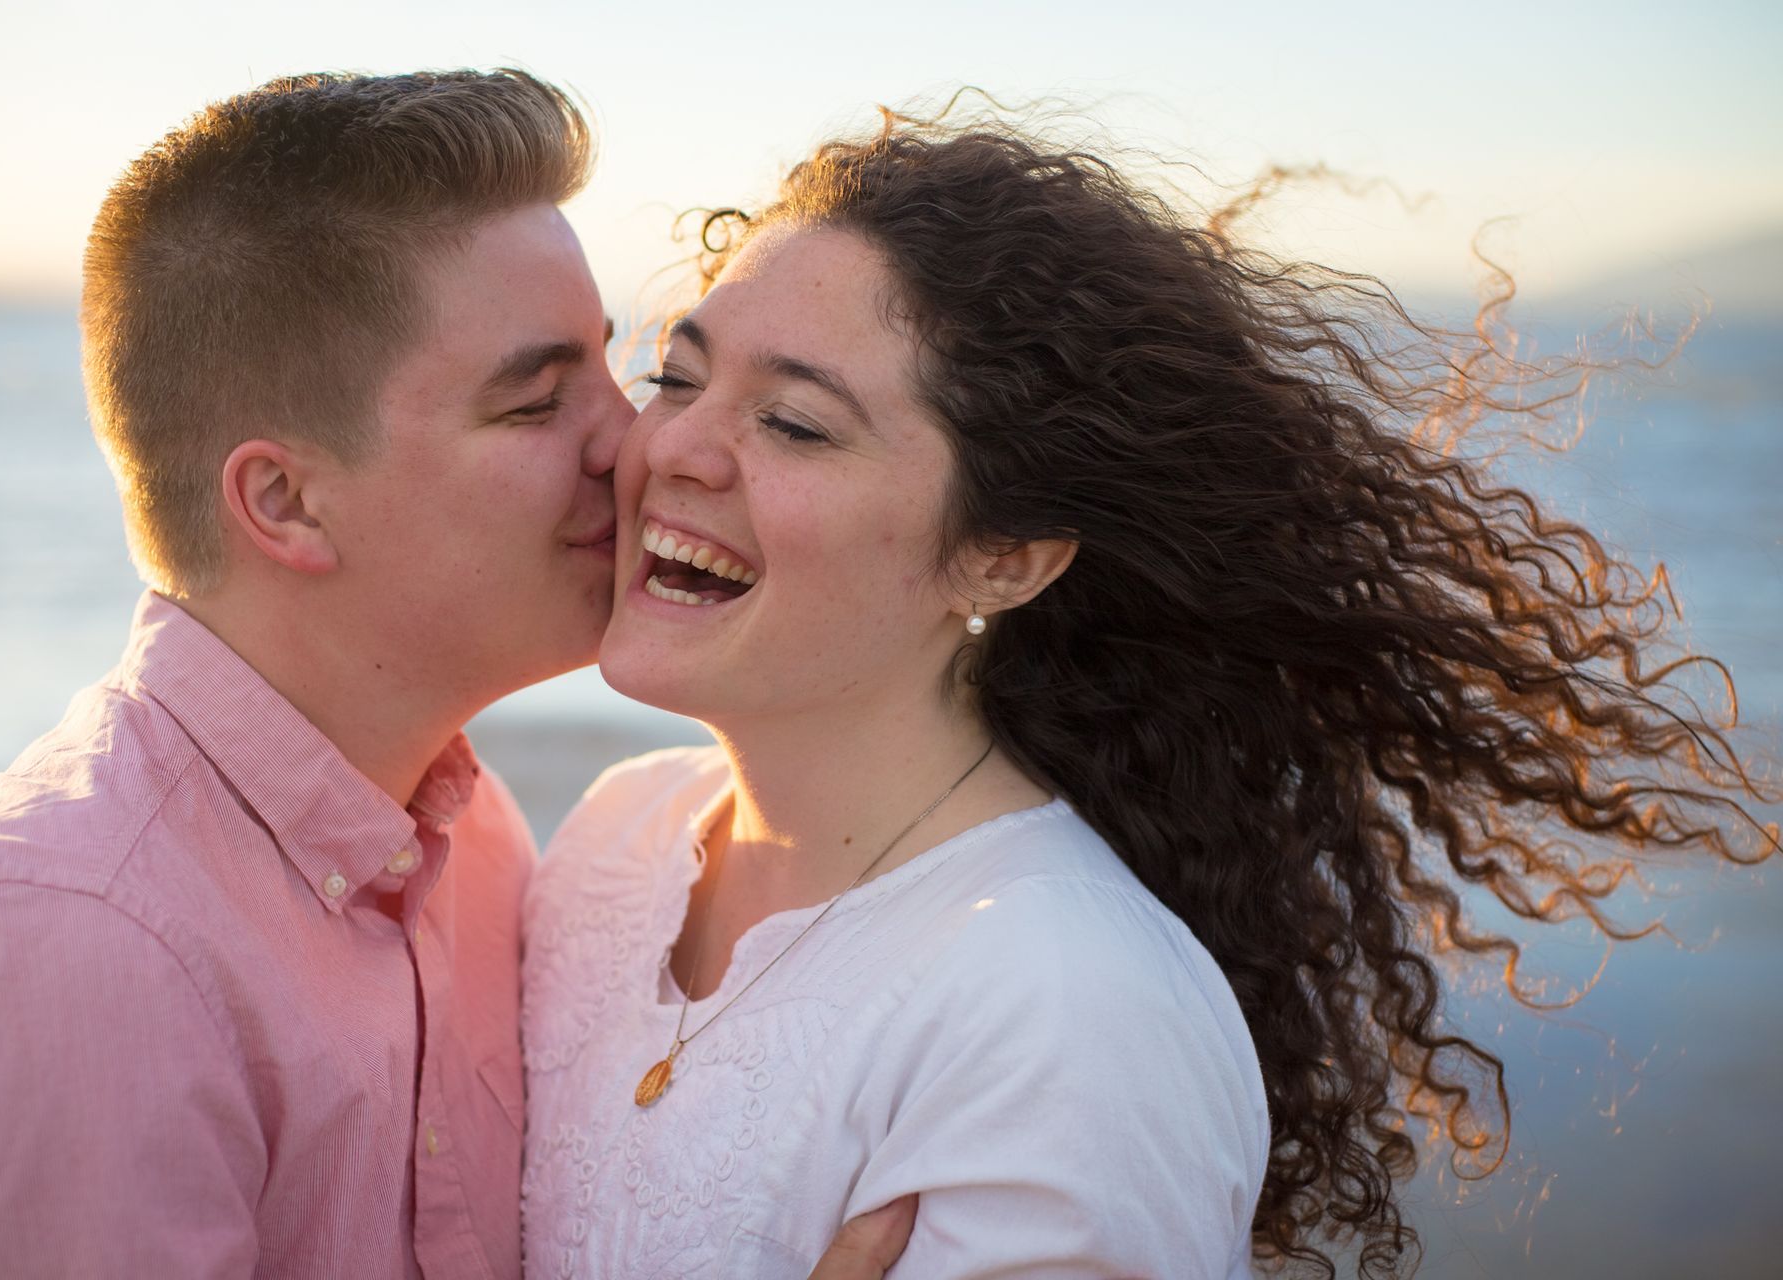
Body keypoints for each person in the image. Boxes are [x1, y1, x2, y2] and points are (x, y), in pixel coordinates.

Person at [518, 105, 1776, 1277]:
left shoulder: (1070, 1009)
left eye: (794, 424)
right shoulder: (615, 843)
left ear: (1002, 558)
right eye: (679, 378)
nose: (671, 446)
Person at [0, 71, 908, 1279]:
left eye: (610, 367)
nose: (635, 440)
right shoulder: (61, 951)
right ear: (286, 503)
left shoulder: (481, 845)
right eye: (534, 402)